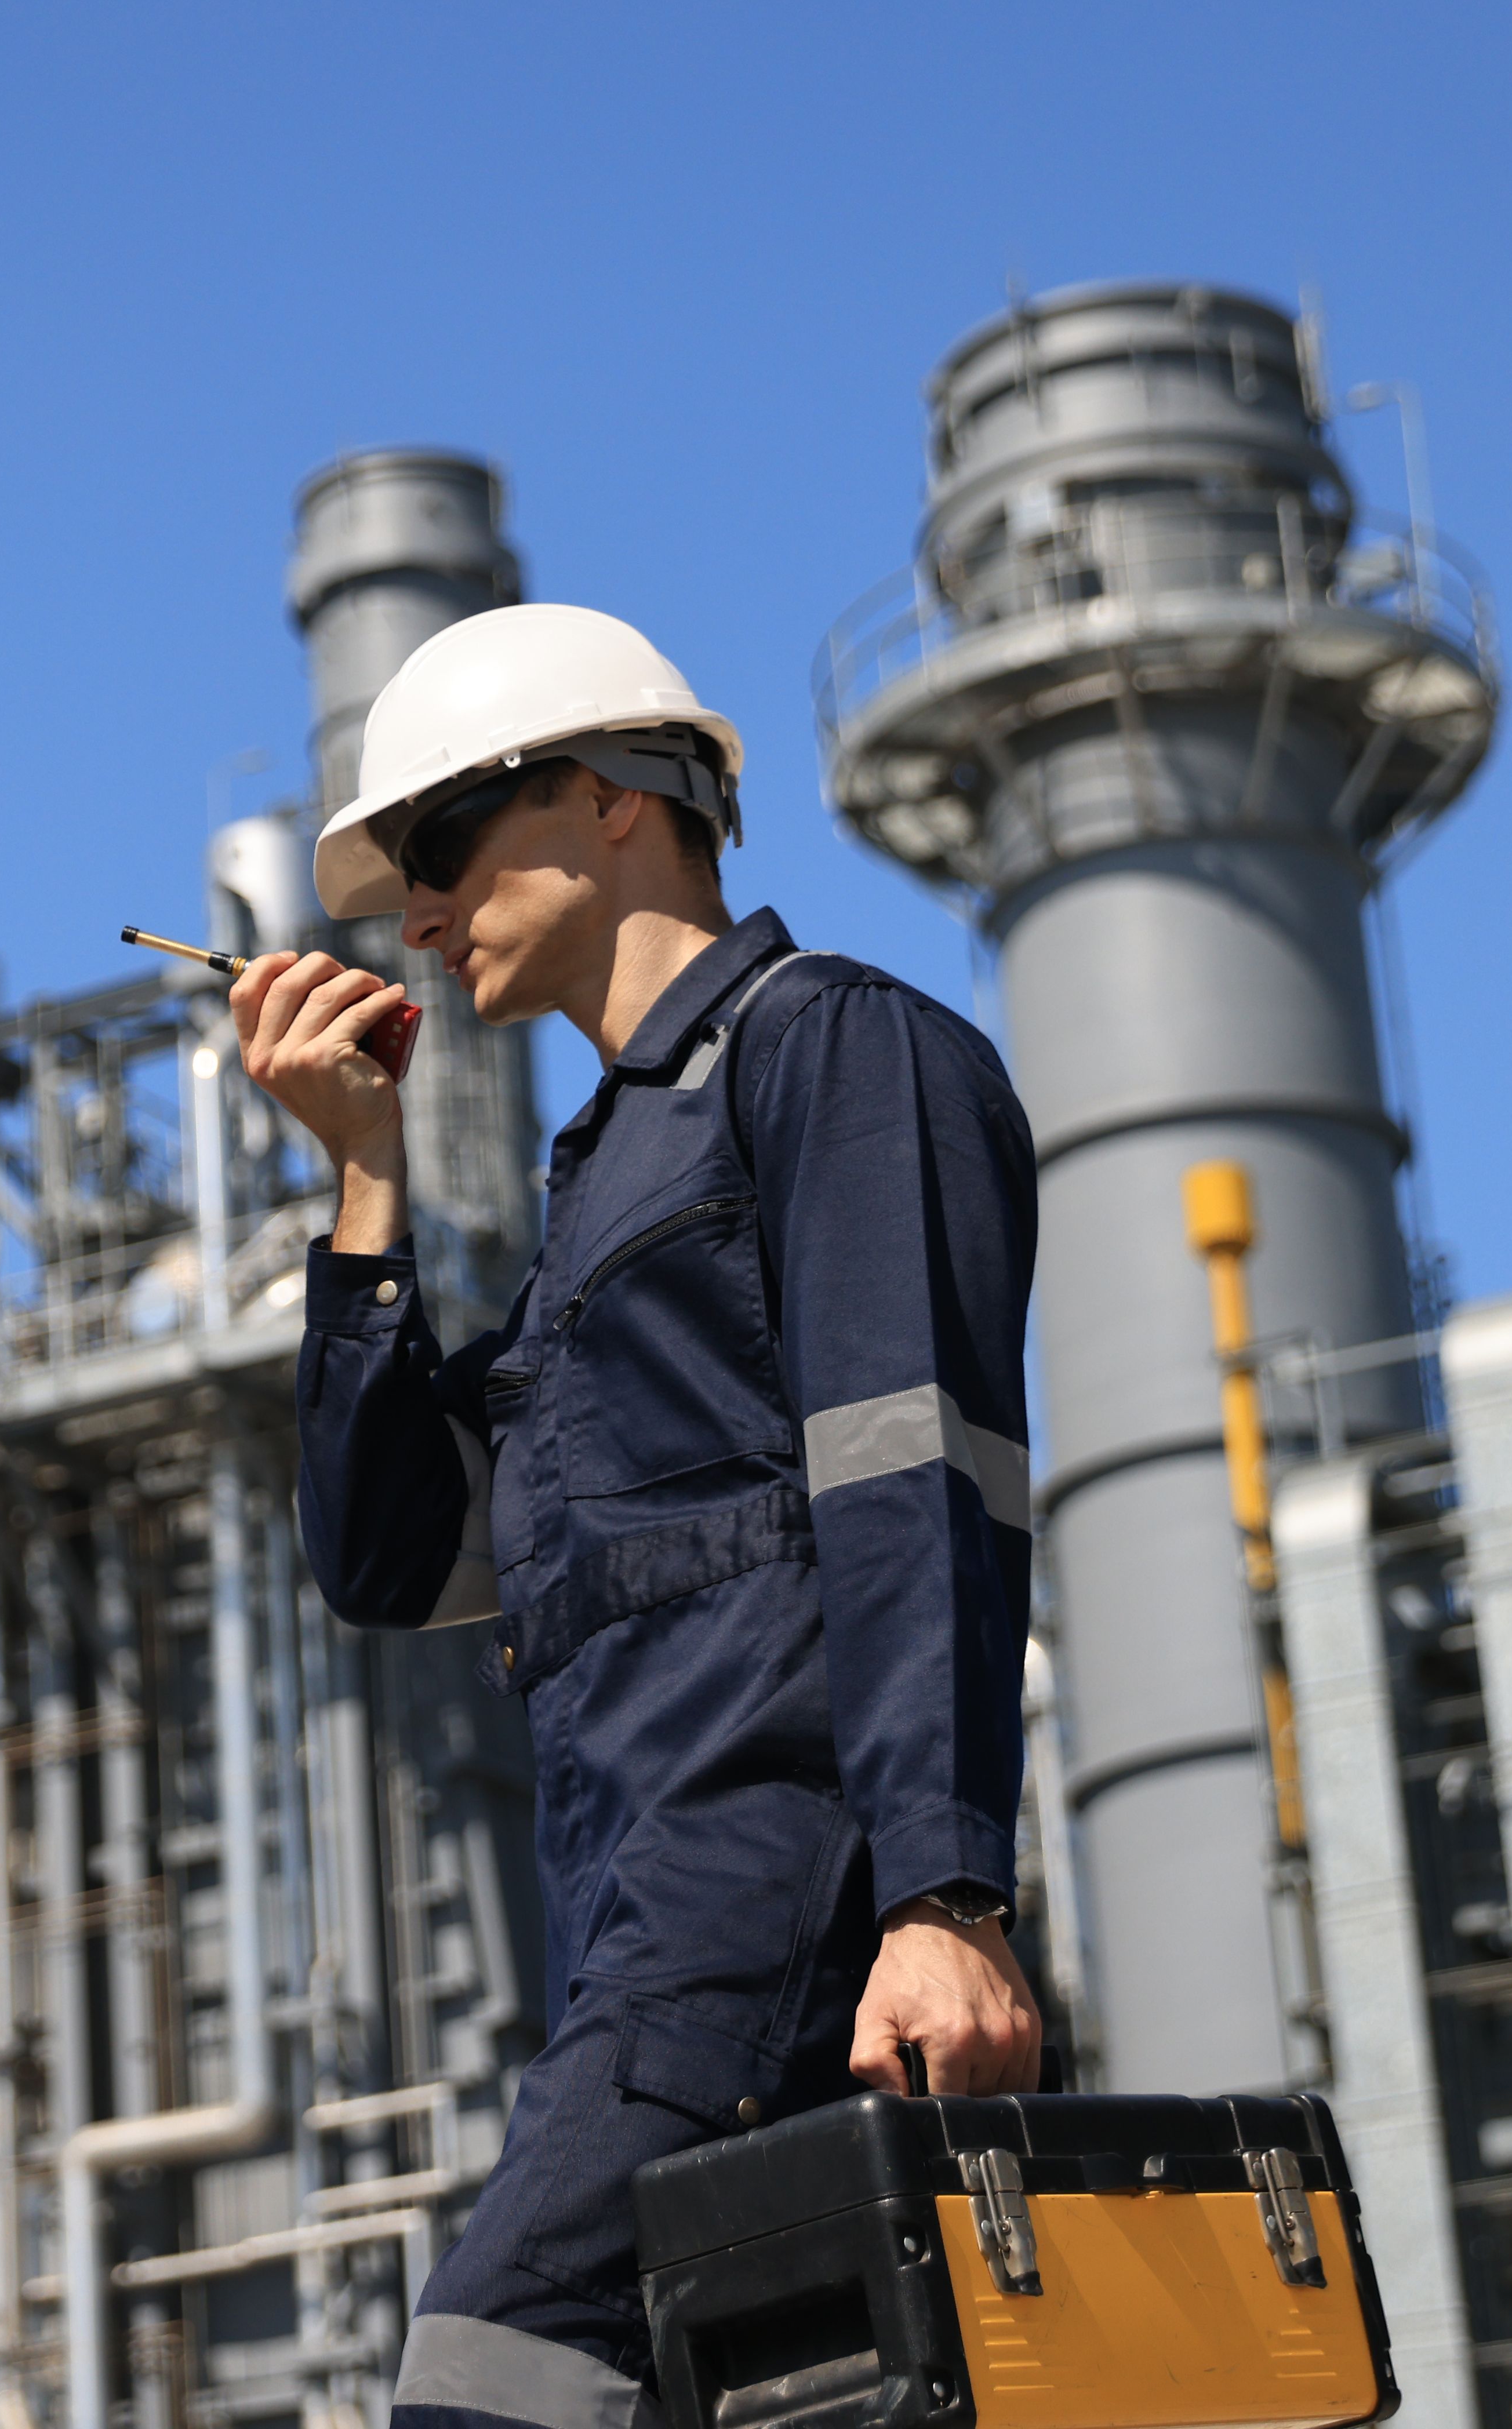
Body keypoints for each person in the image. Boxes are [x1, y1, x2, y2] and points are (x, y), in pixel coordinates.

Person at [229, 603, 1042, 2429]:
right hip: (635, 1913)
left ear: (611, 801)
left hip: (768, 1888)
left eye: (435, 850)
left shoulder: (828, 1050)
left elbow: (915, 1474)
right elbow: (396, 1558)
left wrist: (943, 1892)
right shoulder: (608, 1176)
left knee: (492, 2375)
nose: (415, 921)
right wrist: (366, 1186)